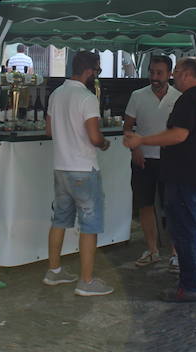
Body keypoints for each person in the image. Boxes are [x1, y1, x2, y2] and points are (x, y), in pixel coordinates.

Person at [124, 57, 196, 303]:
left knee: (186, 231)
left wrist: (142, 141)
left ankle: (189, 285)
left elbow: (178, 134)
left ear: (188, 74)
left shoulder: (187, 99)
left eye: (176, 71)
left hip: (184, 175)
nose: (174, 76)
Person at [44, 51, 113, 296]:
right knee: (89, 225)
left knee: (59, 220)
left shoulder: (57, 93)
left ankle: (54, 271)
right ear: (90, 70)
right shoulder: (87, 98)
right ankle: (86, 281)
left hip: (60, 167)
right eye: (97, 70)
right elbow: (95, 137)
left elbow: (49, 130)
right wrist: (105, 143)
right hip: (84, 169)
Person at [123, 55, 181, 271]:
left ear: (169, 74)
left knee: (173, 207)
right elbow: (128, 127)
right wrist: (135, 147)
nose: (155, 77)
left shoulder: (178, 97)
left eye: (159, 73)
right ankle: (152, 250)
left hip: (171, 160)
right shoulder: (137, 96)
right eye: (152, 72)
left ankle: (176, 253)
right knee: (145, 205)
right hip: (143, 159)